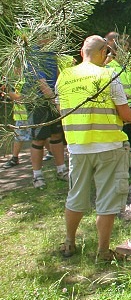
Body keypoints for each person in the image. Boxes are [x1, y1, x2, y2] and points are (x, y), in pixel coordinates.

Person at [56, 35, 131, 261]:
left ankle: (69, 242)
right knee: (107, 199)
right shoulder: (107, 75)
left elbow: (61, 108)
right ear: (104, 53)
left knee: (75, 196)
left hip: (77, 147)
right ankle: (103, 252)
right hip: (108, 146)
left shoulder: (64, 77)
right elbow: (124, 113)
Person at [23, 39, 67, 189]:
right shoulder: (33, 54)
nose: (53, 36)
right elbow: (40, 82)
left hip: (53, 98)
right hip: (38, 101)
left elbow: (58, 74)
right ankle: (37, 176)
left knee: (57, 135)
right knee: (39, 139)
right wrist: (55, 101)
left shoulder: (51, 52)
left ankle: (61, 170)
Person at [105, 34, 131, 176]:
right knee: (120, 138)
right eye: (123, 50)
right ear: (116, 51)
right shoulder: (110, 67)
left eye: (127, 49)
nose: (126, 53)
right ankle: (119, 167)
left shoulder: (130, 64)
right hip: (119, 107)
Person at [1, 73, 27, 169]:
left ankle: (14, 158)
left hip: (27, 114)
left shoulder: (27, 80)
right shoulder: (17, 81)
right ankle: (14, 158)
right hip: (20, 115)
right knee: (19, 137)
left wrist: (10, 93)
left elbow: (19, 98)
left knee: (38, 137)